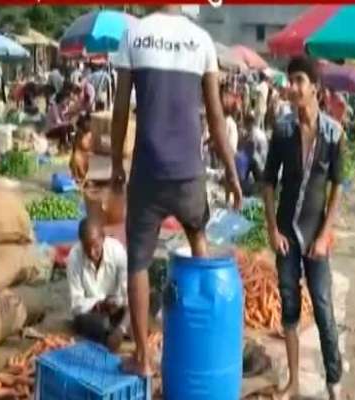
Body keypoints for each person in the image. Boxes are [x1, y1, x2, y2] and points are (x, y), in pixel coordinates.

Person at [110, 5, 242, 377]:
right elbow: (216, 117)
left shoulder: (133, 35)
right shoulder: (201, 40)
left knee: (138, 262)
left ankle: (142, 359)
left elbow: (121, 110)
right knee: (199, 246)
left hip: (148, 172)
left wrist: (119, 165)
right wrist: (231, 171)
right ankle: (203, 344)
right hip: (189, 173)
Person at [262, 56, 344, 400]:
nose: (292, 88)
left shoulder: (334, 133)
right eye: (290, 81)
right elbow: (267, 183)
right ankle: (294, 383)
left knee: (323, 308)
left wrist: (325, 235)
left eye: (299, 81)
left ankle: (334, 385)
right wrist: (271, 229)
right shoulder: (282, 130)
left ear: (315, 88)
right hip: (286, 237)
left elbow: (337, 186)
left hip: (315, 237)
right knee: (290, 306)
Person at [67, 218, 129, 351]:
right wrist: (99, 304)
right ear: (81, 243)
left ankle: (119, 331)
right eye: (86, 248)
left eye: (95, 246)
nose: (91, 253)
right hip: (94, 314)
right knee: (95, 324)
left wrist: (121, 328)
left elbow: (129, 295)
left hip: (118, 310)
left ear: (103, 238)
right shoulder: (74, 257)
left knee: (141, 308)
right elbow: (77, 304)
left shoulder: (117, 251)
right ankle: (111, 333)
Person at [69, 114, 94, 184]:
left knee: (83, 166)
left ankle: (82, 178)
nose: (88, 125)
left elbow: (89, 146)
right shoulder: (79, 134)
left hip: (84, 155)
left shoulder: (90, 134)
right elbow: (77, 145)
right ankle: (78, 177)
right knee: (77, 161)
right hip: (78, 155)